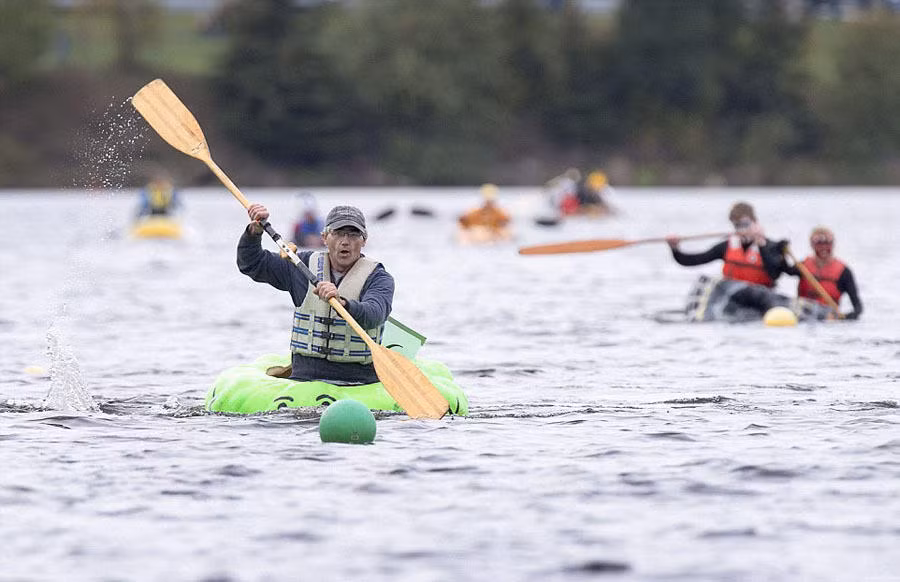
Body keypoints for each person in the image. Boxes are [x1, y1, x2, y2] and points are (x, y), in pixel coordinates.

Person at [238, 204, 394, 385]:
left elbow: (375, 314)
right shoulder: (300, 265)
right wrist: (254, 233)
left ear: (364, 240)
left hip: (357, 380)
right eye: (338, 233)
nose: (345, 241)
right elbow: (252, 264)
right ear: (325, 238)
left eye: (353, 234)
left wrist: (343, 303)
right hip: (304, 377)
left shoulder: (379, 277)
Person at [666, 202, 792, 316]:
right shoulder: (727, 246)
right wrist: (675, 249)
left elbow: (774, 274)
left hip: (762, 299)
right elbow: (693, 260)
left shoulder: (772, 247)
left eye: (745, 224)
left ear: (755, 223)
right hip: (734, 298)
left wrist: (761, 245)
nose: (741, 229)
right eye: (737, 225)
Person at [792, 226, 863, 319]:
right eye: (819, 243)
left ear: (833, 245)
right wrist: (778, 250)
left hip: (827, 317)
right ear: (812, 245)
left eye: (827, 243)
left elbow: (858, 307)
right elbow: (779, 269)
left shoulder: (844, 272)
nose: (823, 247)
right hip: (802, 312)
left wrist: (847, 317)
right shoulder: (802, 266)